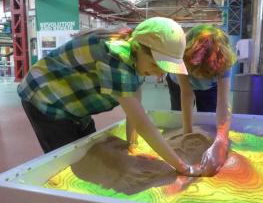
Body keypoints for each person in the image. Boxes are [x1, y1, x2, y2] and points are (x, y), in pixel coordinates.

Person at [17, 17, 200, 176]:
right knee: (69, 162)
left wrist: (132, 144)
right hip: (44, 97)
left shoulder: (135, 61)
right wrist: (182, 167)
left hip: (72, 99)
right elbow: (143, 124)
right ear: (139, 48)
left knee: (89, 150)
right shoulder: (116, 56)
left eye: (163, 68)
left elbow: (135, 111)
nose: (157, 72)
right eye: (155, 64)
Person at [166, 24, 237, 176]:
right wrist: (188, 135)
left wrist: (220, 141)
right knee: (179, 113)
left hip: (210, 86)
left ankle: (209, 140)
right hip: (179, 83)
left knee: (208, 114)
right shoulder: (181, 56)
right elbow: (186, 93)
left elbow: (223, 103)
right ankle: (184, 132)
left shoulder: (223, 60)